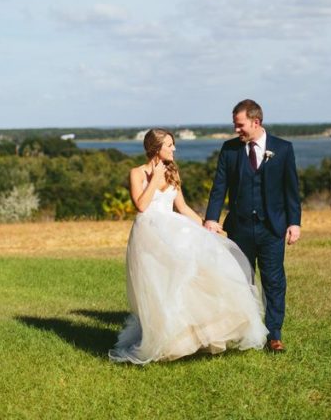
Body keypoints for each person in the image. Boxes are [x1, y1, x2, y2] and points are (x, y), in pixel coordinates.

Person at [109, 129, 268, 364]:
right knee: (161, 287)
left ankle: (192, 338)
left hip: (173, 229)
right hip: (148, 235)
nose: (174, 149)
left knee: (192, 278)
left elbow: (182, 207)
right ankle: (163, 340)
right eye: (170, 145)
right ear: (156, 148)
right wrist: (154, 179)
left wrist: (206, 226)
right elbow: (141, 205)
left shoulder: (174, 172)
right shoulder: (137, 173)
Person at [204, 99, 301, 352]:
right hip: (239, 229)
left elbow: (292, 191)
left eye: (240, 125)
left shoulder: (283, 149)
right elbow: (219, 188)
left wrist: (294, 223)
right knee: (240, 281)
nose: (236, 130)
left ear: (255, 122)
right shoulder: (229, 150)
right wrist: (211, 219)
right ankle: (245, 330)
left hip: (272, 229)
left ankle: (274, 334)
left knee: (273, 281)